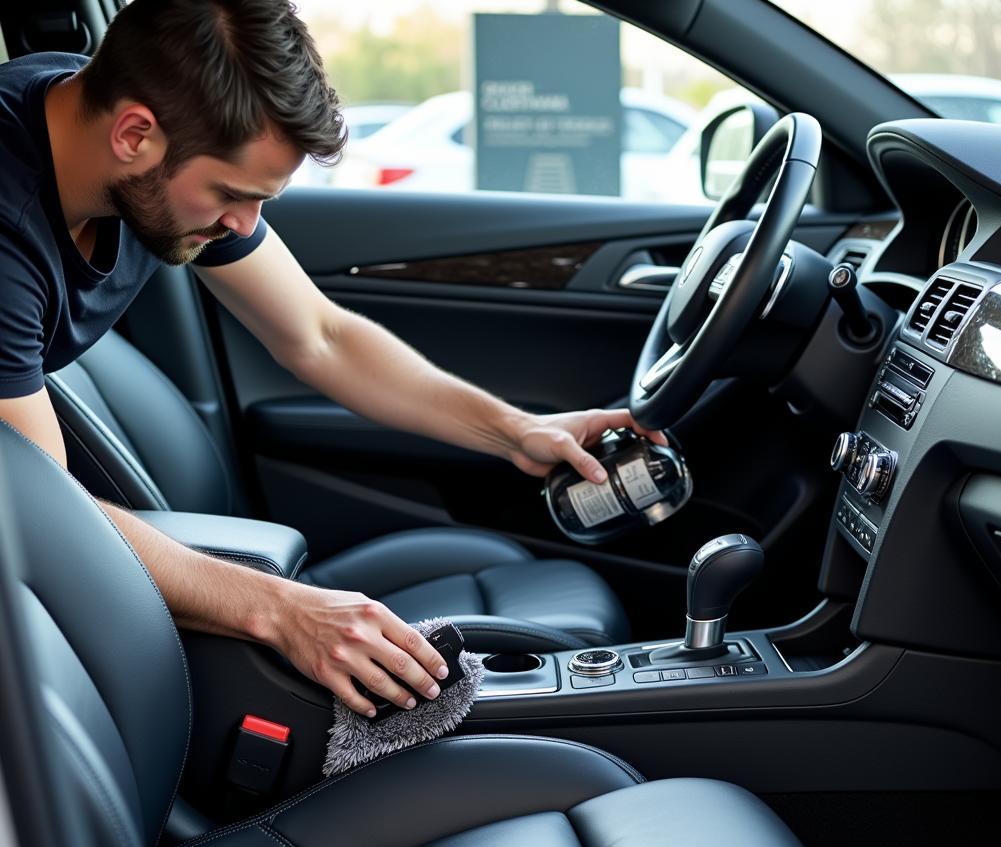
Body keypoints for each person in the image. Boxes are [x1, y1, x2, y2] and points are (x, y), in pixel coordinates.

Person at [0, 0, 662, 719]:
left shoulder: (121, 131)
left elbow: (320, 336)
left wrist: (517, 431)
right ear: (134, 134)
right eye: (231, 194)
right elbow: (46, 515)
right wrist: (284, 612)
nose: (242, 228)